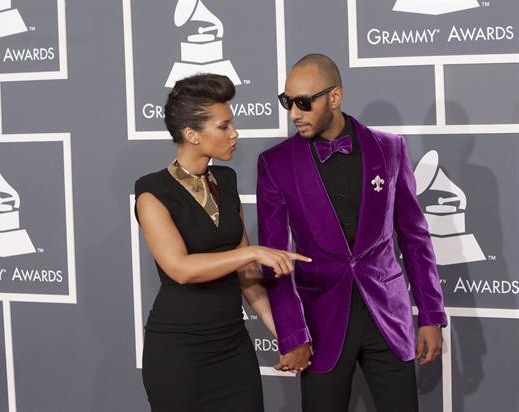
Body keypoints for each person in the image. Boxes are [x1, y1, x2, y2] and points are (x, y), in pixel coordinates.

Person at [256, 54, 447, 411]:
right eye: (287, 102)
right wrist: (292, 334)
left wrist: (431, 315)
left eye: (303, 102)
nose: (294, 113)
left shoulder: (390, 149)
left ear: (335, 97)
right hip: (321, 320)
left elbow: (414, 236)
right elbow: (274, 259)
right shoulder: (275, 164)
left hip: (387, 315)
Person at [135, 73, 310, 412]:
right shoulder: (152, 192)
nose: (234, 134)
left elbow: (247, 273)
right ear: (192, 135)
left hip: (233, 348)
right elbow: (180, 268)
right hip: (179, 354)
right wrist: (253, 251)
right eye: (223, 126)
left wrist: (287, 336)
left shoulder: (226, 181)